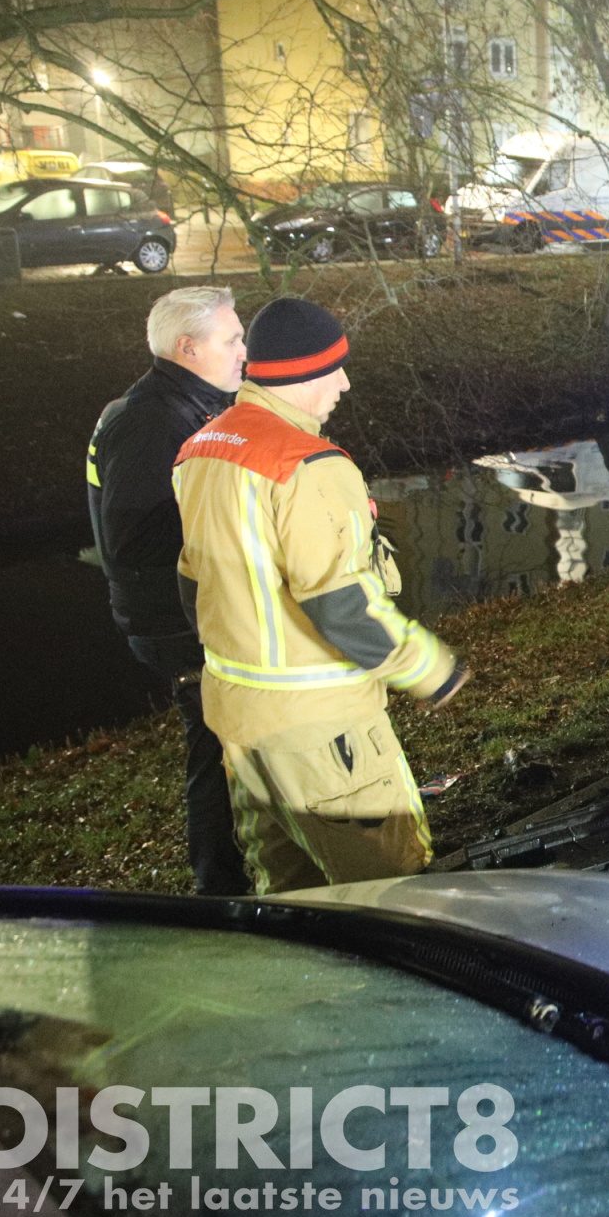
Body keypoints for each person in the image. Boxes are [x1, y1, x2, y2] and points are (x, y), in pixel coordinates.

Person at [173, 297, 467, 893]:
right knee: (390, 884)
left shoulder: (202, 448)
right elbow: (341, 604)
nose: (345, 383)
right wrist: (432, 670)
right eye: (335, 369)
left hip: (241, 725)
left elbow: (191, 582)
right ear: (303, 375)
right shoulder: (309, 467)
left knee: (290, 891)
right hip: (321, 732)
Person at [87, 286, 254, 895]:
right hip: (177, 620)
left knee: (228, 741)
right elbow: (132, 539)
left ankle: (235, 873)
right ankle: (220, 890)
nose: (244, 351)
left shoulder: (182, 406)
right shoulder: (151, 420)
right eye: (231, 339)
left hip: (183, 610)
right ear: (189, 348)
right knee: (216, 746)